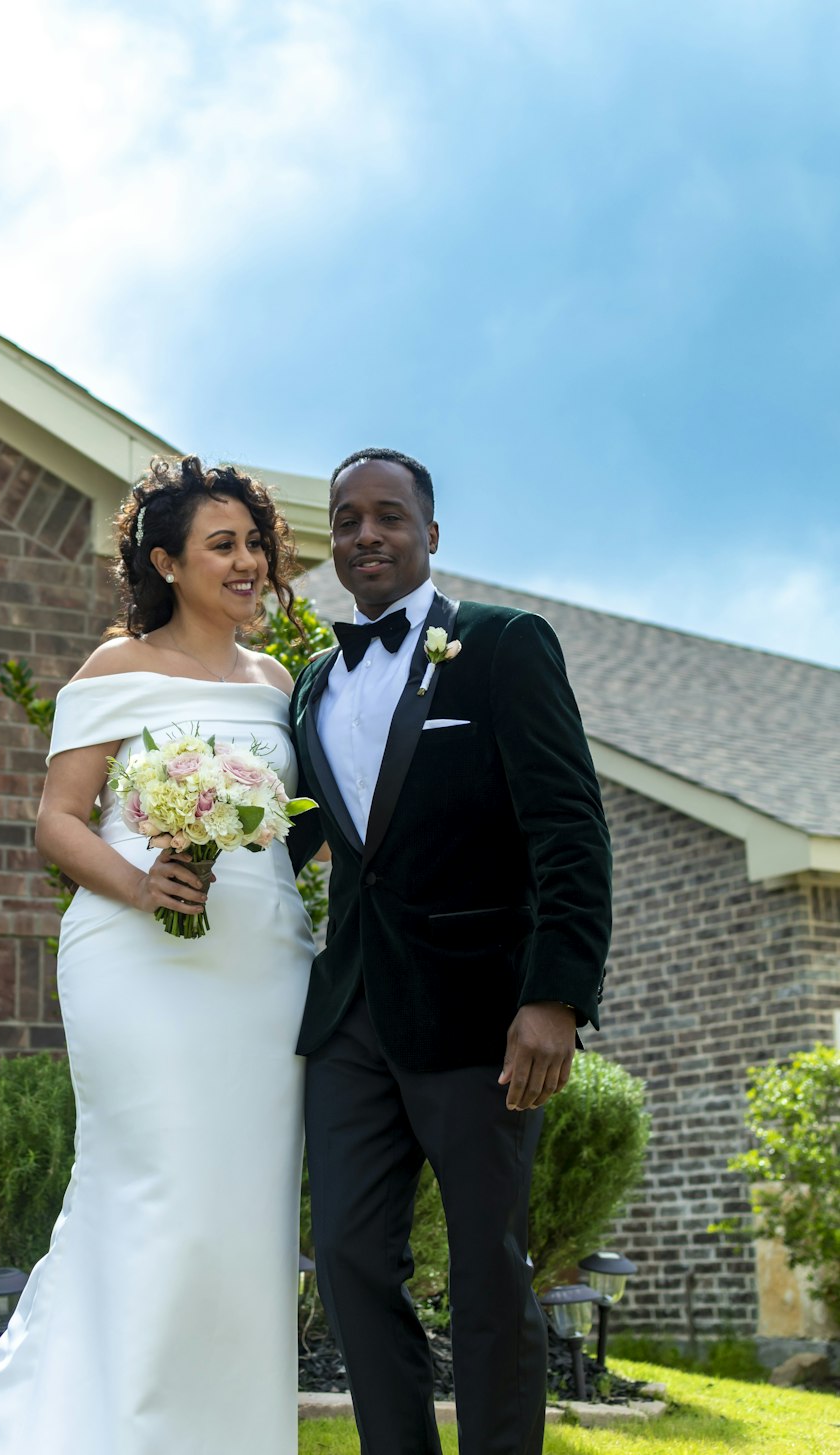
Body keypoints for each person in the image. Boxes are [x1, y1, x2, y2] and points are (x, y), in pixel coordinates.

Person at [0, 455, 314, 1455]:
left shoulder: (278, 684)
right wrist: (144, 883)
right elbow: (57, 822)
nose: (247, 562)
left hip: (261, 965)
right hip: (137, 960)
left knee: (242, 1212)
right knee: (155, 1190)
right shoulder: (115, 669)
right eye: (221, 545)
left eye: (253, 542)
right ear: (166, 562)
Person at [287, 447, 612, 1455]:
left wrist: (554, 995)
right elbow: (288, 832)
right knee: (342, 1253)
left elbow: (568, 827)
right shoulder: (309, 686)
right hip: (348, 1019)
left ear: (431, 534)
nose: (366, 536)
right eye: (347, 521)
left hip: (482, 1015)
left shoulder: (505, 647)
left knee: (485, 1264)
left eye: (388, 517)